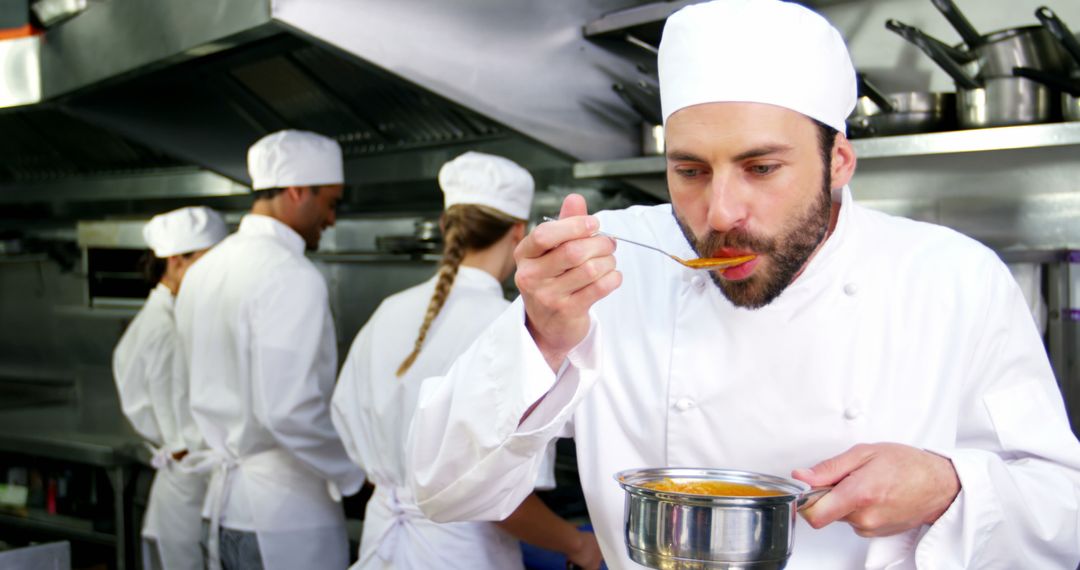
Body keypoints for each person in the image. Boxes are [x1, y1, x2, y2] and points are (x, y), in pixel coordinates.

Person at [406, 1, 1080, 568]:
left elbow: (1063, 511)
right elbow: (443, 491)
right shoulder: (611, 260)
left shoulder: (952, 278)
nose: (720, 213)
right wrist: (541, 339)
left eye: (761, 168)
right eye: (690, 171)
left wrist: (951, 487)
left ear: (839, 161)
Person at [330, 152, 603, 569]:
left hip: (382, 539)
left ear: (445, 226)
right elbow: (507, 505)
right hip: (460, 553)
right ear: (519, 232)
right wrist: (577, 544)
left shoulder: (389, 309)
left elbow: (350, 434)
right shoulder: (512, 328)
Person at [174, 130, 363, 570]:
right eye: (330, 203)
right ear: (297, 191)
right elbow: (288, 410)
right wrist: (355, 472)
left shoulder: (205, 270)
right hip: (285, 517)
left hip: (223, 511)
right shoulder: (291, 274)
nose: (331, 219)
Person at [113, 206, 227, 570]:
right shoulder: (165, 328)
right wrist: (190, 450)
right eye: (210, 263)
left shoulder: (168, 316)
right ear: (178, 261)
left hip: (185, 485)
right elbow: (176, 421)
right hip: (187, 488)